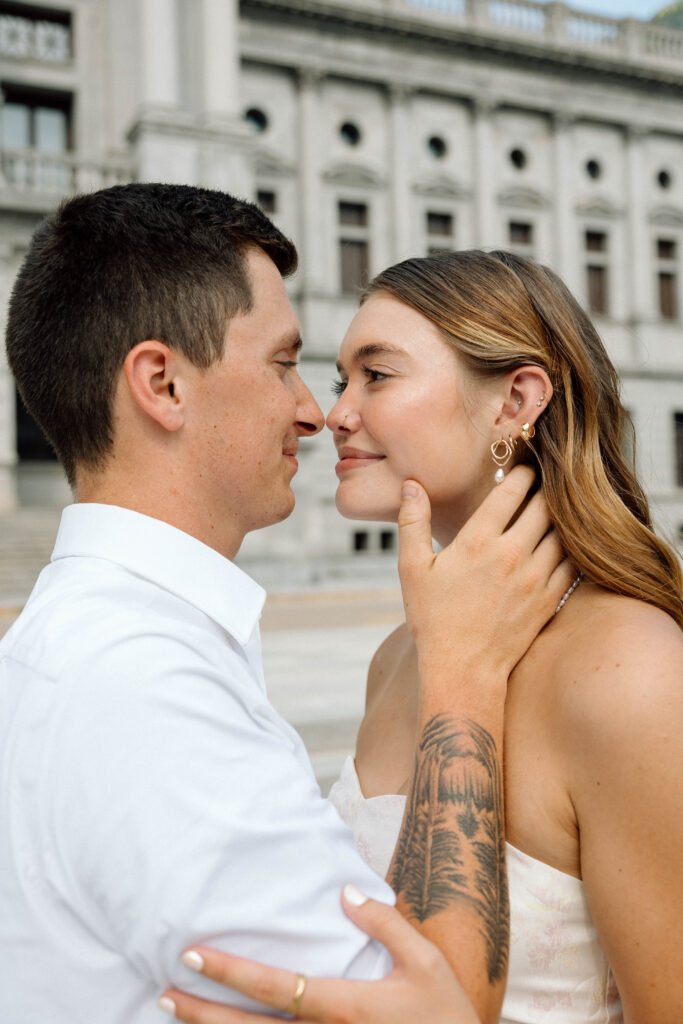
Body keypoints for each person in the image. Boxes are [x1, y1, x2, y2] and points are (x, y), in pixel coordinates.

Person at [0, 187, 571, 1024]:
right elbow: (429, 1007)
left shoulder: (83, 647)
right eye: (282, 363)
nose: (315, 413)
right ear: (162, 384)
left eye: (369, 375)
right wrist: (461, 678)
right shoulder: (142, 683)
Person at [161, 250, 683, 1024]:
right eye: (343, 380)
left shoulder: (629, 668)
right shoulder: (398, 657)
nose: (334, 414)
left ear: (516, 400)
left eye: (378, 374)